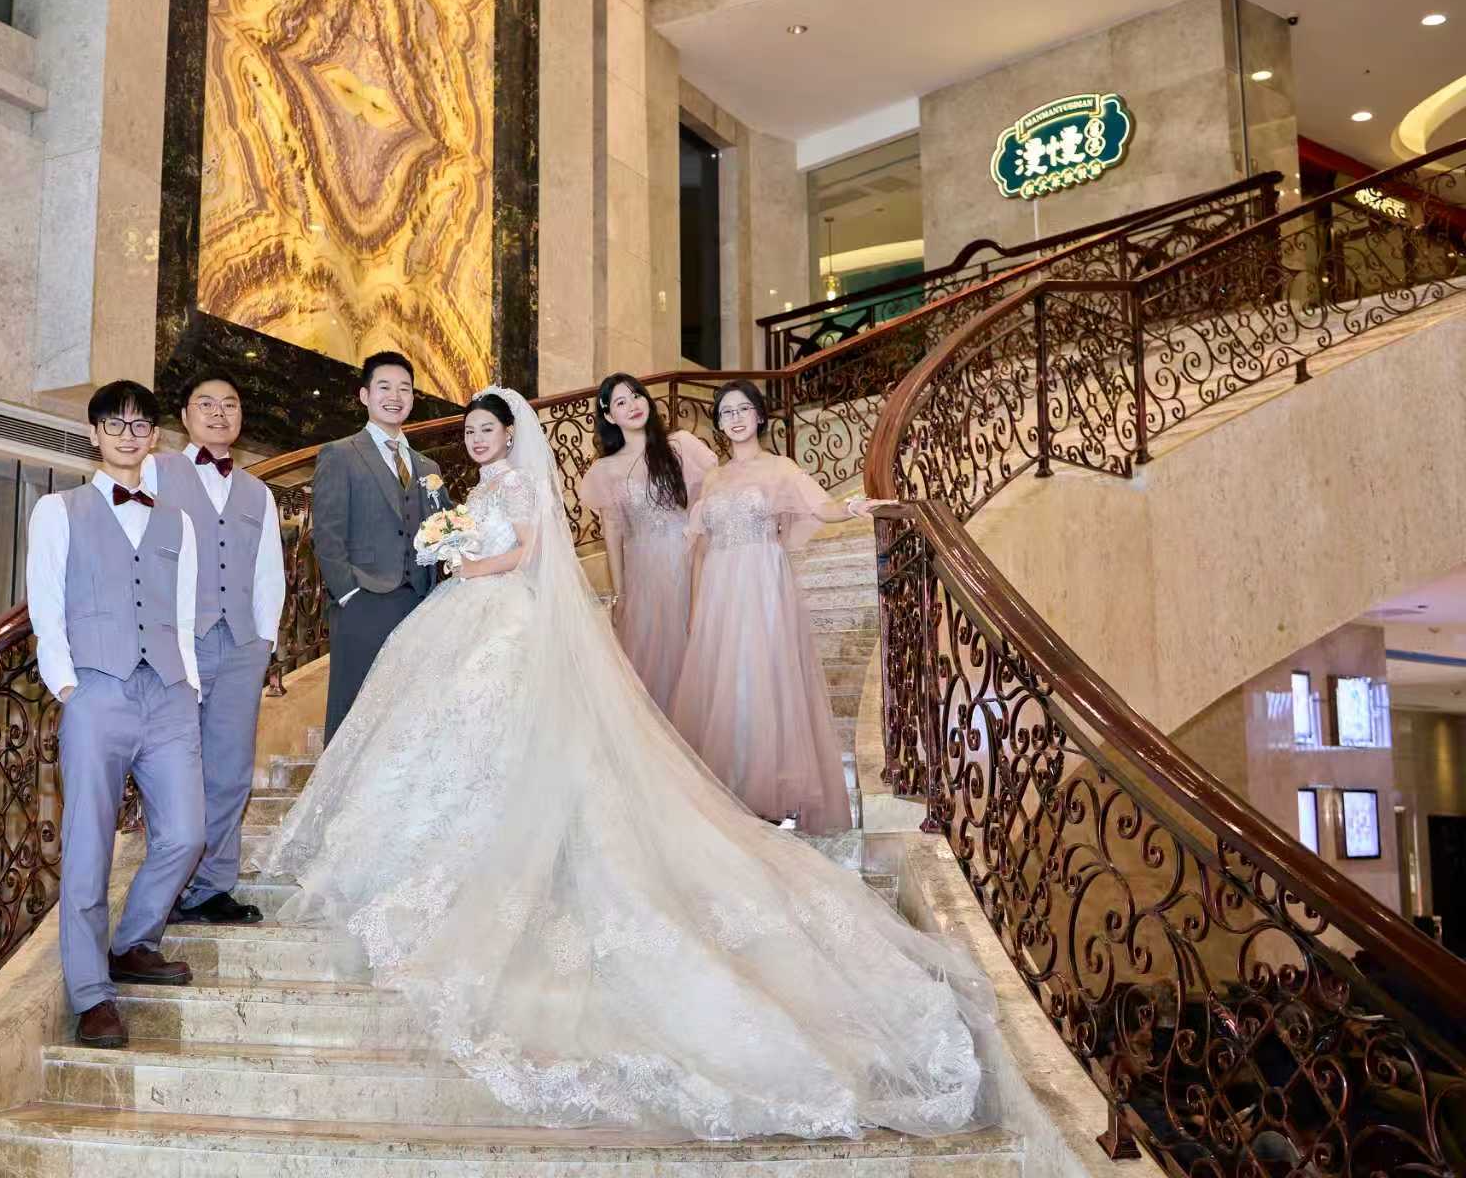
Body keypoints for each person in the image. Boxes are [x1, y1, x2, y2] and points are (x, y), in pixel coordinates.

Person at [265, 387, 999, 1142]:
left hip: (505, 616)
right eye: (472, 431)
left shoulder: (521, 485)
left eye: (489, 430)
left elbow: (529, 551)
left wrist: (472, 565)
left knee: (506, 729)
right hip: (469, 613)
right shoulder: (474, 489)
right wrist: (453, 551)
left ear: (511, 436)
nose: (480, 440)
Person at [25, 380, 203, 1049]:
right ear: (95, 433)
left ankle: (133, 942)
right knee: (89, 846)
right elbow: (46, 606)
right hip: (96, 691)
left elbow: (182, 612)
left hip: (169, 694)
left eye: (140, 425)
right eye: (115, 424)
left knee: (186, 833)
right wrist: (67, 687)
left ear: (155, 436)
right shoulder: (58, 510)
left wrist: (189, 686)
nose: (129, 436)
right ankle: (91, 994)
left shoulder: (177, 522)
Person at [672, 378, 875, 834]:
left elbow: (821, 507)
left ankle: (769, 793)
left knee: (762, 680)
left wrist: (852, 507)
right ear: (719, 422)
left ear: (759, 415)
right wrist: (695, 611)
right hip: (720, 592)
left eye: (743, 409)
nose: (735, 418)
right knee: (726, 686)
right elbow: (700, 549)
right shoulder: (714, 477)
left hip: (763, 585)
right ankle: (732, 788)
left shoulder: (780, 468)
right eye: (726, 412)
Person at [156, 372, 286, 926]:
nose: (218, 413)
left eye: (229, 404)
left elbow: (269, 572)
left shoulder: (259, 492)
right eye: (205, 403)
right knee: (173, 769)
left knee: (230, 772)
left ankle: (212, 887)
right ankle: (169, 885)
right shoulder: (156, 472)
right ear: (184, 416)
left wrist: (265, 641)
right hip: (177, 644)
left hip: (240, 646)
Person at [310, 352, 446, 740]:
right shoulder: (340, 454)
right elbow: (327, 532)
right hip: (363, 601)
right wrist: (348, 594)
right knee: (354, 716)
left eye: (404, 389)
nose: (395, 396)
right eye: (384, 387)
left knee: (408, 717)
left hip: (418, 603)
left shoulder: (428, 468)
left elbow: (442, 529)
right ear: (364, 395)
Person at [579, 373, 717, 713]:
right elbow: (612, 533)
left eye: (636, 395)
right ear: (610, 416)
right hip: (644, 570)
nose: (633, 405)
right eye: (621, 402)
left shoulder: (680, 446)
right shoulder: (605, 470)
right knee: (653, 656)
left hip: (687, 558)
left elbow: (706, 505)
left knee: (694, 643)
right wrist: (620, 593)